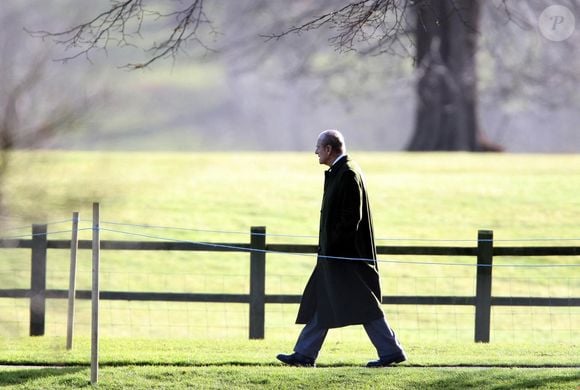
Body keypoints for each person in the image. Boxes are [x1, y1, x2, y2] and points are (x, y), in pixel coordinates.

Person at [276, 129, 406, 368]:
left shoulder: (347, 174)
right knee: (324, 301)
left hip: (344, 258)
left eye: (318, 147)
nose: (315, 151)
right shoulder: (341, 171)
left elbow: (350, 218)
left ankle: (390, 351)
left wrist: (334, 248)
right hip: (335, 256)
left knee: (364, 305)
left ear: (328, 149)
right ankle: (305, 354)